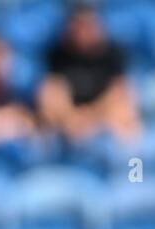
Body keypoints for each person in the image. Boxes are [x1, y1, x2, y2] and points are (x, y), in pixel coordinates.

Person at [36, 2, 140, 143]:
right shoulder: (57, 53)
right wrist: (72, 117)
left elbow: (120, 92)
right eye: (79, 25)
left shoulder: (114, 53)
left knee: (124, 109)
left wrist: (92, 116)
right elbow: (52, 92)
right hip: (69, 119)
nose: (83, 31)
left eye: (88, 25)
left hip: (104, 115)